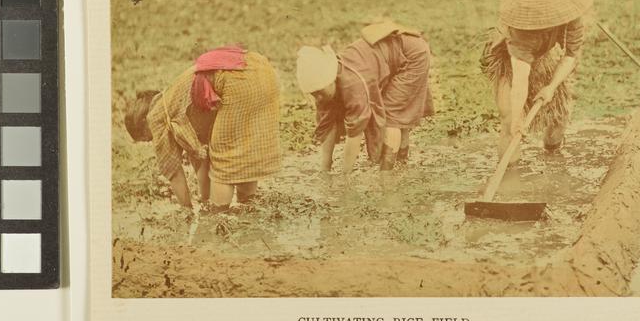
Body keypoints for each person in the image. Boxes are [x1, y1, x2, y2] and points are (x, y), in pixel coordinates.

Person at [124, 46, 281, 212]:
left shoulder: (155, 116)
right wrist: (205, 201)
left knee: (224, 159)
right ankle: (248, 205)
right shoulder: (179, 111)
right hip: (262, 70)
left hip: (238, 81)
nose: (152, 141)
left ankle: (218, 217)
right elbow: (203, 164)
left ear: (143, 120)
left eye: (147, 138)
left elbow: (174, 173)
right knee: (243, 153)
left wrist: (188, 211)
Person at [480, 0, 593, 163]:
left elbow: (570, 56)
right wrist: (518, 118)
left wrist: (551, 87)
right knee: (509, 121)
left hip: (545, 56)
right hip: (509, 61)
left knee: (560, 113)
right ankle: (510, 179)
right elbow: (521, 77)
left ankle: (553, 156)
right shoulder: (522, 32)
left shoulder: (570, 15)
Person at [297, 19, 434, 175]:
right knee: (394, 111)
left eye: (320, 92)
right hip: (389, 55)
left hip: (411, 56)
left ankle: (387, 174)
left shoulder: (352, 83)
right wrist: (325, 169)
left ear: (331, 77)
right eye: (314, 94)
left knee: (393, 116)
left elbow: (354, 134)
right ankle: (401, 163)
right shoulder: (324, 89)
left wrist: (345, 176)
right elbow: (327, 124)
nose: (318, 98)